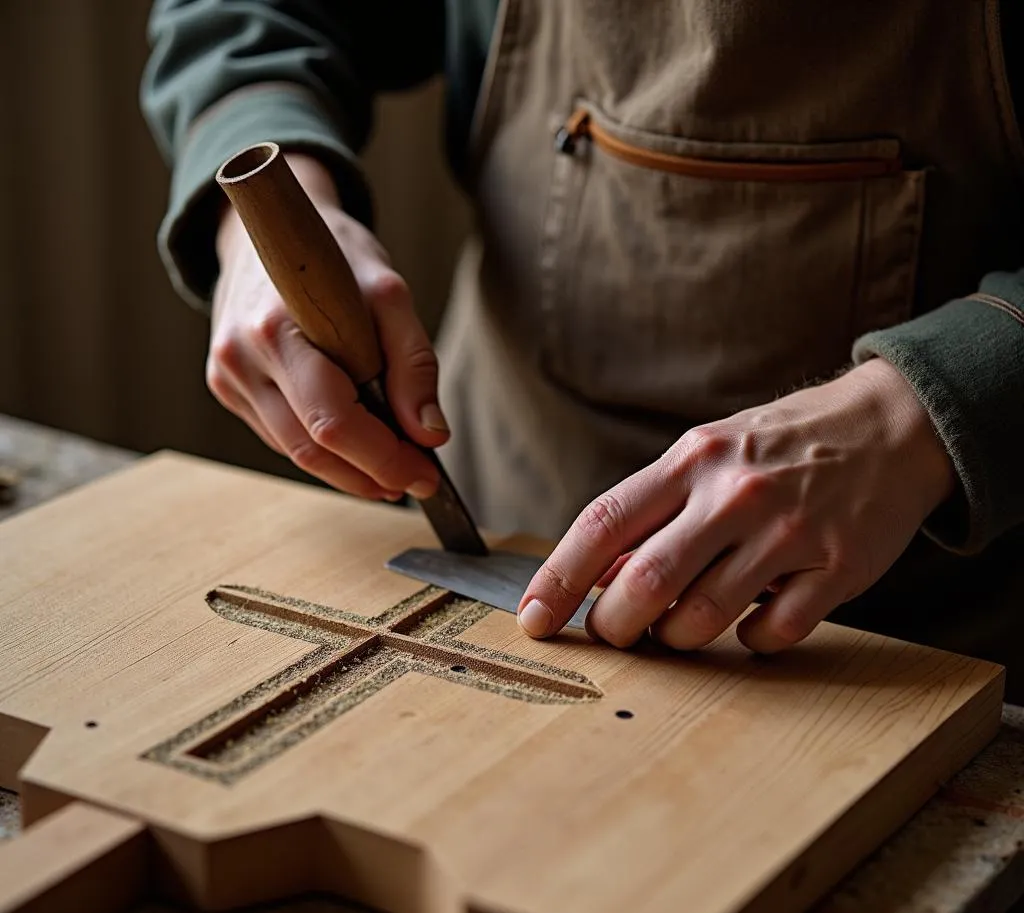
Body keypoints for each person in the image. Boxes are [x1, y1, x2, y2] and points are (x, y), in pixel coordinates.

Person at [142, 1, 1024, 699]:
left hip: (911, 637)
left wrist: (930, 409)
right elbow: (251, 13)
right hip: (504, 501)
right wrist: (264, 235)